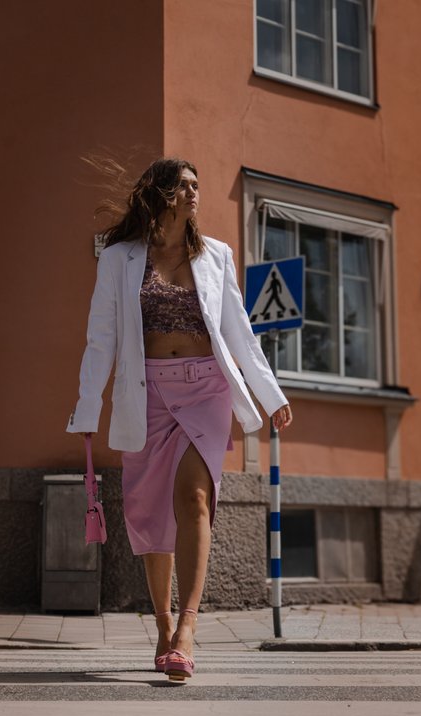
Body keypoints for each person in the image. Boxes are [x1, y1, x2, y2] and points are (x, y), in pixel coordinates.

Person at [67, 157, 292, 682]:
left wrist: (270, 394)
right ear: (161, 193)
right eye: (184, 185)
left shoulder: (215, 255)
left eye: (197, 185)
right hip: (145, 392)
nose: (194, 193)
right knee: (149, 513)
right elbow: (101, 338)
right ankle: (163, 625)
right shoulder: (120, 258)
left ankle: (188, 629)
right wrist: (87, 405)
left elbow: (238, 332)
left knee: (195, 498)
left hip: (206, 389)